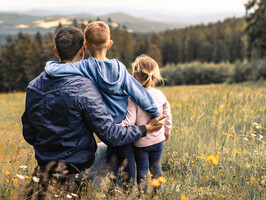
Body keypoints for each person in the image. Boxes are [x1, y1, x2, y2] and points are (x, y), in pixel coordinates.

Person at [21, 27, 165, 196]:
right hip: (78, 164)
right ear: (83, 50)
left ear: (56, 51)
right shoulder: (85, 87)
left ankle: (50, 182)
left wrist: (52, 148)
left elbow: (28, 133)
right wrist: (145, 129)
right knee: (113, 146)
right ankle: (83, 185)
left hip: (46, 163)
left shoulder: (34, 86)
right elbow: (112, 135)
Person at [120, 54, 172, 189]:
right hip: (158, 140)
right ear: (155, 77)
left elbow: (129, 122)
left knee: (142, 169)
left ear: (134, 75)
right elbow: (167, 114)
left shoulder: (133, 99)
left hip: (141, 142)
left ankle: (144, 193)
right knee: (156, 167)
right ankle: (156, 192)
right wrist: (167, 131)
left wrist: (116, 127)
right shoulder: (159, 94)